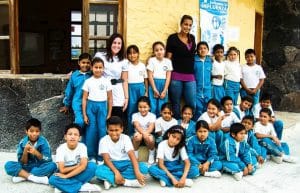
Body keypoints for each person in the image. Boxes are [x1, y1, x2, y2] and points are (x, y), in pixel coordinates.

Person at [95, 116, 148, 190]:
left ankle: (111, 180)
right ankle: (126, 182)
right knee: (98, 170)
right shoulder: (103, 140)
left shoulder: (126, 138)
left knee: (144, 168)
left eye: (117, 130)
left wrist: (137, 172)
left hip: (126, 164)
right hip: (111, 165)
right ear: (107, 130)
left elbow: (132, 156)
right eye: (111, 130)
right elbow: (106, 160)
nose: (114, 133)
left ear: (122, 129)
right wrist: (116, 172)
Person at [49, 124, 100, 193]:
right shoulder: (61, 149)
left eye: (76, 135)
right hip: (67, 170)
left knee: (93, 166)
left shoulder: (82, 146)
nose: (72, 136)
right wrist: (77, 166)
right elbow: (62, 170)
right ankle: (82, 187)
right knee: (52, 179)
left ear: (79, 138)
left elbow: (83, 166)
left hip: (77, 172)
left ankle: (65, 186)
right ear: (65, 137)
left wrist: (66, 176)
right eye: (70, 134)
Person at [94, 33, 129, 134]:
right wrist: (74, 72)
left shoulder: (124, 61)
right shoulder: (100, 56)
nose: (116, 45)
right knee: (103, 119)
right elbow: (91, 69)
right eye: (114, 42)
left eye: (119, 43)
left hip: (118, 92)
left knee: (117, 120)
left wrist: (126, 98)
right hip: (102, 90)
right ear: (110, 43)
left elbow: (124, 80)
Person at [5, 118, 56, 184]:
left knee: (53, 165)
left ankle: (23, 176)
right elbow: (23, 162)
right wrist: (25, 151)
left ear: (40, 132)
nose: (34, 134)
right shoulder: (23, 143)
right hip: (27, 166)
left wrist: (36, 153)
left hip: (40, 166)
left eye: (37, 131)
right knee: (8, 165)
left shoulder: (44, 142)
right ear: (26, 131)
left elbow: (48, 159)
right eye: (31, 131)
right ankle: (34, 178)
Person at [82, 57, 112, 161]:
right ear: (91, 68)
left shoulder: (106, 81)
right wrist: (85, 114)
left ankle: (101, 156)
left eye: (100, 67)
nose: (98, 69)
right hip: (91, 106)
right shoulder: (88, 81)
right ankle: (91, 155)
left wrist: (109, 113)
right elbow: (84, 98)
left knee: (102, 131)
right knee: (91, 130)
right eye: (96, 67)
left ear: (103, 68)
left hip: (102, 106)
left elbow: (110, 98)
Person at [166, 15, 196, 119]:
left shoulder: (192, 38)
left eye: (190, 25)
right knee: (176, 103)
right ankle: (177, 125)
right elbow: (168, 58)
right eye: (185, 24)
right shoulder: (172, 38)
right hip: (176, 76)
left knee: (192, 102)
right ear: (181, 24)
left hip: (190, 76)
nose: (187, 27)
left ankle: (191, 124)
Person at [60, 53, 92, 139]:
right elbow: (69, 91)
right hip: (77, 102)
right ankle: (77, 138)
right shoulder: (74, 75)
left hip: (90, 103)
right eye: (83, 62)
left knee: (90, 122)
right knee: (80, 121)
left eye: (88, 63)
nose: (85, 65)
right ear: (79, 63)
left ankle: (86, 140)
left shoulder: (92, 75)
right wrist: (66, 104)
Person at [127, 45, 148, 135]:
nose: (132, 55)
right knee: (131, 110)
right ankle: (131, 132)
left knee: (142, 109)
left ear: (138, 54)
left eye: (134, 53)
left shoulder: (142, 66)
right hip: (130, 88)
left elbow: (145, 79)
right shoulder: (126, 65)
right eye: (130, 53)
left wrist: (146, 91)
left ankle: (143, 131)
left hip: (140, 88)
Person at [147, 41, 172, 117]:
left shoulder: (168, 61)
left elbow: (168, 77)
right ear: (154, 52)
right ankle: (152, 126)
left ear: (164, 50)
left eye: (161, 49)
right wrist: (154, 89)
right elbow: (150, 76)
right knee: (153, 107)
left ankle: (161, 126)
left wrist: (165, 90)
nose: (159, 52)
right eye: (156, 50)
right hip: (153, 84)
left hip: (164, 85)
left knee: (162, 107)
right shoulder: (152, 60)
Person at [131, 96, 156, 164]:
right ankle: (135, 153)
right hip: (138, 134)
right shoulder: (135, 115)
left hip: (148, 134)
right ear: (137, 107)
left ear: (149, 107)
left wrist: (146, 135)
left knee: (150, 138)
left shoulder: (152, 116)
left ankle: (151, 153)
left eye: (145, 107)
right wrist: (143, 134)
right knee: (138, 137)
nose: (142, 109)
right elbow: (137, 126)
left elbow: (151, 128)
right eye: (140, 107)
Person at [194, 41, 213, 120]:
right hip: (196, 89)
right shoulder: (194, 60)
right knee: (198, 108)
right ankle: (197, 125)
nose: (203, 50)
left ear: (208, 50)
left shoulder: (210, 61)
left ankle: (206, 126)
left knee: (207, 108)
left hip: (207, 89)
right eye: (200, 48)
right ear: (197, 50)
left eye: (205, 48)